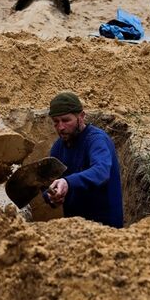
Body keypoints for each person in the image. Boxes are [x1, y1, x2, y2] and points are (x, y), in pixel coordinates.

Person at [44, 92, 123, 228]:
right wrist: (52, 197)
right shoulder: (58, 147)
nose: (61, 127)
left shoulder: (96, 140)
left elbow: (101, 171)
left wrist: (67, 182)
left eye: (66, 120)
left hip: (105, 228)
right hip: (75, 229)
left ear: (81, 116)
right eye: (56, 122)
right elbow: (49, 184)